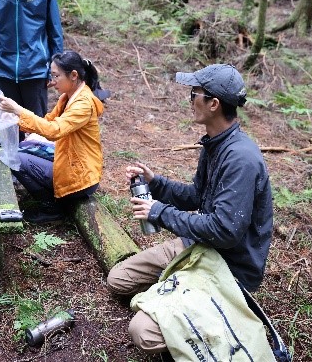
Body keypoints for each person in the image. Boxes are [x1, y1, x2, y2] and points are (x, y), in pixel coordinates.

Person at [106, 63, 274, 356]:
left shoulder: (241, 159)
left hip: (228, 269)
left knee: (142, 331)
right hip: (199, 246)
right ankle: (178, 296)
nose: (189, 100)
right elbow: (196, 196)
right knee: (119, 279)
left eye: (193, 94)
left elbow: (224, 231)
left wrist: (158, 212)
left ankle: (203, 314)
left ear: (213, 104)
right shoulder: (215, 144)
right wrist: (154, 182)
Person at [0, 50, 104, 223]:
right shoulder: (67, 97)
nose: (52, 82)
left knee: (14, 158)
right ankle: (52, 199)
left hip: (81, 177)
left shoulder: (83, 104)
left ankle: (52, 209)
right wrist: (17, 119)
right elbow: (48, 121)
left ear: (74, 75)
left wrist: (18, 110)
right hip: (69, 160)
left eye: (56, 76)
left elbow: (54, 130)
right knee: (24, 148)